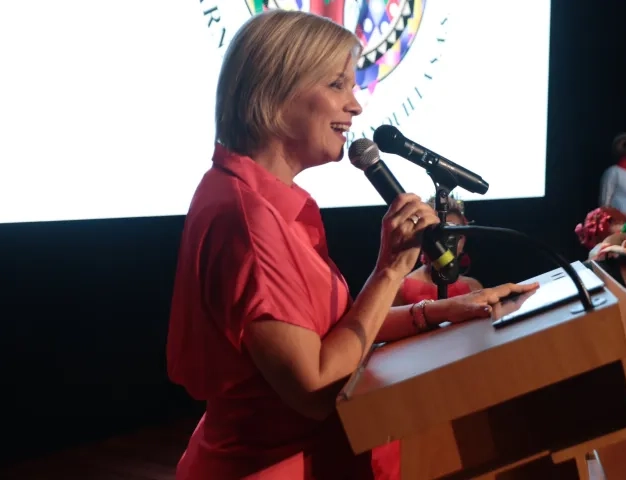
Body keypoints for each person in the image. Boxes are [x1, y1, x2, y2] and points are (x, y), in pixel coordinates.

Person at [165, 11, 537, 480]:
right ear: (277, 91)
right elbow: (316, 386)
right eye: (338, 85)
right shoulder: (249, 219)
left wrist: (441, 312)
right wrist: (389, 272)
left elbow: (329, 336)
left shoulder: (264, 199)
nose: (356, 106)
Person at [394, 195, 482, 305]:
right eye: (440, 235)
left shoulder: (473, 287)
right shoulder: (400, 289)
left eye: (455, 235)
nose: (447, 243)